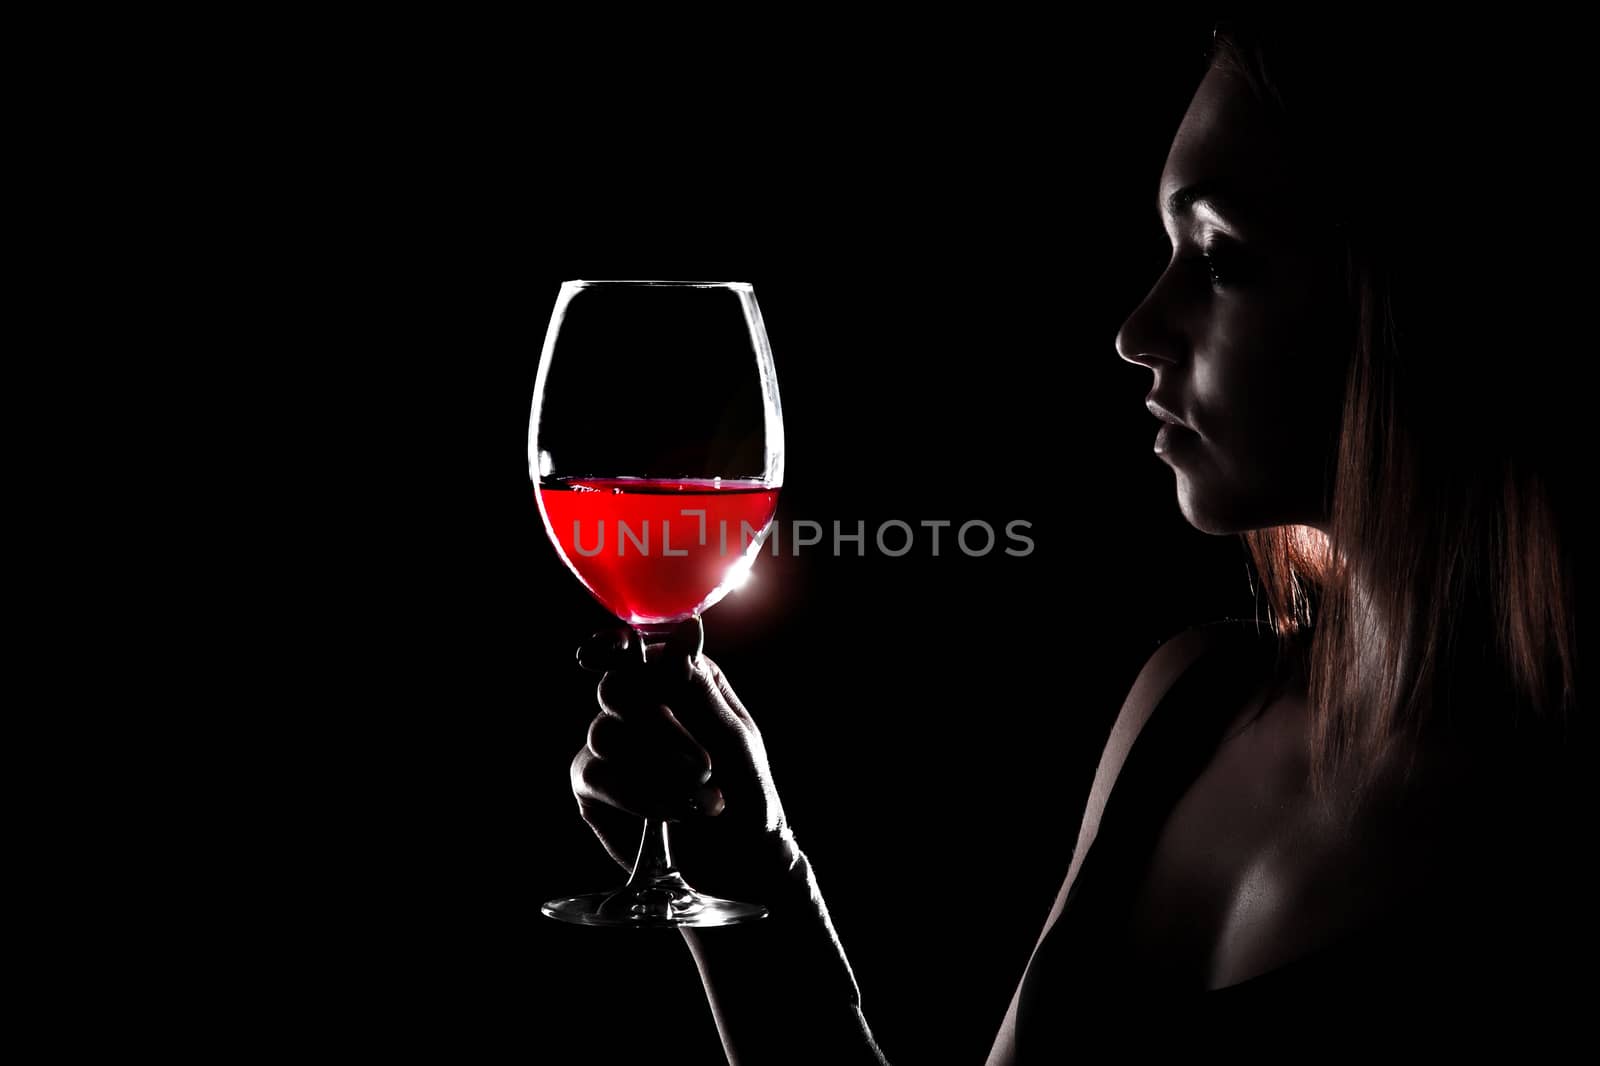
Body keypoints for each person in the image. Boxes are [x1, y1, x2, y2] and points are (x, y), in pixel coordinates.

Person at [564, 20, 1583, 1062]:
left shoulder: (1547, 815)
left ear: (1414, 291)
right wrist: (750, 864)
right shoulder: (1186, 708)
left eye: (1220, 256)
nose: (1137, 329)